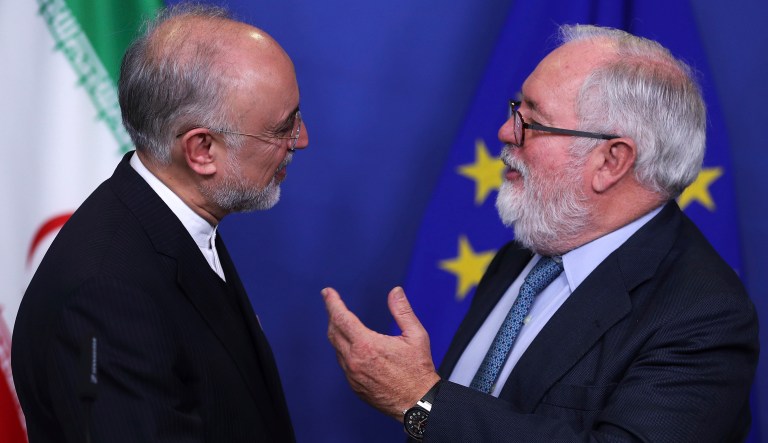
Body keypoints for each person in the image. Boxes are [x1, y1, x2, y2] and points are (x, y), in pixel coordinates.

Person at [323, 24, 759, 442]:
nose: (505, 132)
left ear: (611, 161)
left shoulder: (704, 315)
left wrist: (421, 400)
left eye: (532, 121)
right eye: (517, 109)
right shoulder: (529, 249)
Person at [12, 4, 307, 443]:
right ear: (202, 150)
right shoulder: (108, 295)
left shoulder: (174, 218)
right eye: (281, 128)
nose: (301, 140)